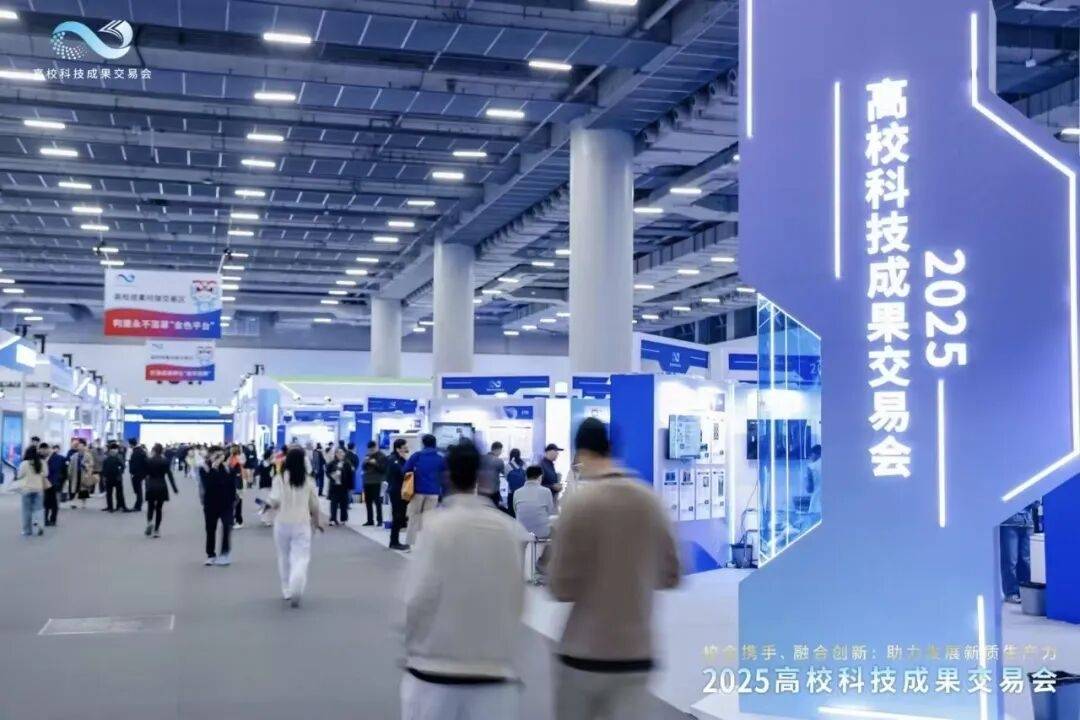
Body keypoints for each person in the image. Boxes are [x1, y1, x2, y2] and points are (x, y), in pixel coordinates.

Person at [548, 418, 680, 720]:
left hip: (585, 654)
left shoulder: (579, 504)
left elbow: (560, 587)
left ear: (581, 453)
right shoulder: (650, 500)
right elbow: (672, 575)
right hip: (637, 654)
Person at [401, 440, 526, 719]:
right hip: (494, 673)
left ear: (446, 477)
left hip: (435, 670)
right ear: (482, 478)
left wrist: (411, 642)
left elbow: (417, 597)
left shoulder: (435, 527)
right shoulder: (508, 529)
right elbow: (517, 598)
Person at [268, 447, 321, 608]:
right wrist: (316, 523)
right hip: (302, 523)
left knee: (283, 556)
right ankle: (296, 582)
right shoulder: (309, 481)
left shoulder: (279, 479)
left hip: (282, 522)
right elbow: (314, 505)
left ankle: (286, 589)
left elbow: (274, 500)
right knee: (301, 557)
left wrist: (268, 506)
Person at [403, 434, 447, 547]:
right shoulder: (440, 458)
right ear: (435, 444)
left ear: (423, 443)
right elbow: (445, 476)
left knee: (413, 517)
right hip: (433, 492)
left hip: (417, 491)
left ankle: (409, 543)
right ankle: (426, 544)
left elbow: (405, 470)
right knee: (429, 519)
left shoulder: (417, 456)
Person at [514, 465, 555, 574]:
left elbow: (516, 510)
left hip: (521, 531)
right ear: (540, 477)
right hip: (541, 533)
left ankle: (521, 567)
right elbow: (550, 512)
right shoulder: (546, 491)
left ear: (526, 477)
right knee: (558, 535)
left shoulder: (517, 492)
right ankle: (542, 563)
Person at [199, 446, 236, 566]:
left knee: (227, 526)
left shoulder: (228, 468)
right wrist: (214, 468)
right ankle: (211, 554)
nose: (219, 458)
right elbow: (208, 485)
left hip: (226, 504)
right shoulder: (204, 468)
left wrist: (234, 501)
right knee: (210, 529)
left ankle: (224, 553)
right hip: (211, 504)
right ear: (210, 456)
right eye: (216, 455)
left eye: (221, 455)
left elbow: (231, 485)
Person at [1000, 504, 1036, 604]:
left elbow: (1036, 502)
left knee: (1026, 560)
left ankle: (1026, 591)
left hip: (1027, 522)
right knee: (1010, 560)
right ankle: (1011, 593)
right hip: (1009, 522)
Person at [144, 444, 179, 538]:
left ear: (154, 450)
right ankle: (156, 530)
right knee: (159, 509)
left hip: (151, 485)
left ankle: (149, 522)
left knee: (150, 506)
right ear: (162, 451)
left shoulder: (148, 461)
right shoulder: (165, 461)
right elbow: (170, 476)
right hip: (162, 486)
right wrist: (174, 488)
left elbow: (145, 474)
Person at [16, 445, 48, 537]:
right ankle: (40, 526)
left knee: (26, 510)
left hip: (27, 489)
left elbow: (19, 476)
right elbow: (46, 474)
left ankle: (27, 530)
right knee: (39, 509)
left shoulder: (24, 464)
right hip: (38, 488)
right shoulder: (42, 462)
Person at [385, 438, 410, 550]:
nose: (406, 448)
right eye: (404, 447)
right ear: (398, 448)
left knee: (400, 516)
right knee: (397, 516)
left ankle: (395, 541)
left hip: (402, 490)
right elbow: (402, 473)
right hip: (396, 491)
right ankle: (394, 542)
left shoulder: (401, 459)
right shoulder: (393, 459)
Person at [326, 447, 354, 526]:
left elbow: (350, 475)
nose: (341, 454)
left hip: (344, 486)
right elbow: (327, 472)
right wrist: (332, 476)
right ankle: (332, 519)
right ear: (336, 454)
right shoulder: (332, 463)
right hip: (334, 486)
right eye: (339, 452)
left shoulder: (347, 463)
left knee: (344, 504)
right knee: (333, 504)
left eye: (342, 452)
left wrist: (351, 487)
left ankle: (343, 519)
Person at [361, 441, 387, 527]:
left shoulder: (382, 456)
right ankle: (370, 520)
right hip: (367, 481)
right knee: (368, 501)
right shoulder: (368, 455)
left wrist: (375, 463)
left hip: (377, 481)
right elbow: (363, 468)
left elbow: (383, 469)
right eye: (369, 449)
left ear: (376, 447)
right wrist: (365, 462)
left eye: (372, 449)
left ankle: (379, 520)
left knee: (377, 502)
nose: (371, 451)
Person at [101, 443, 127, 513]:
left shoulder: (106, 456)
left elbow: (104, 467)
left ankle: (110, 507)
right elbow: (123, 466)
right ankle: (120, 506)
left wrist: (104, 476)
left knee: (109, 493)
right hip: (117, 478)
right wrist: (120, 472)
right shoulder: (119, 456)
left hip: (109, 477)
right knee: (119, 493)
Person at [479, 441, 506, 509]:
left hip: (481, 491)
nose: (500, 452)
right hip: (493, 491)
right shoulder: (498, 461)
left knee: (483, 509)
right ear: (498, 449)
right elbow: (505, 473)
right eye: (501, 450)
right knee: (493, 510)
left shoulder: (481, 458)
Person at [44, 443, 66, 527]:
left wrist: (60, 481)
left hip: (55, 484)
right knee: (45, 502)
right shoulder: (42, 458)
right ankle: (45, 519)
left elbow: (65, 472)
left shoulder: (60, 458)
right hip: (45, 484)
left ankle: (53, 519)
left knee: (54, 503)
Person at [504, 448, 526, 517]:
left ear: (510, 455)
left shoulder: (508, 465)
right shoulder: (524, 464)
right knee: (521, 512)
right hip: (522, 492)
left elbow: (506, 477)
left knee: (511, 513)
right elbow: (526, 477)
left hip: (512, 492)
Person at [128, 439, 148, 513]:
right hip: (142, 473)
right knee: (139, 489)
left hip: (136, 474)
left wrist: (132, 472)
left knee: (138, 490)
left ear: (131, 444)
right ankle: (138, 504)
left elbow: (134, 464)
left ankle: (138, 505)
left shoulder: (135, 452)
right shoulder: (142, 451)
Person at [227, 445, 245, 528]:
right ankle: (235, 519)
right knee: (234, 502)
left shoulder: (237, 458)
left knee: (238, 502)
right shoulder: (232, 458)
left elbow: (234, 468)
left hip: (238, 482)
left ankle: (239, 521)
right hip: (234, 482)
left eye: (231, 449)